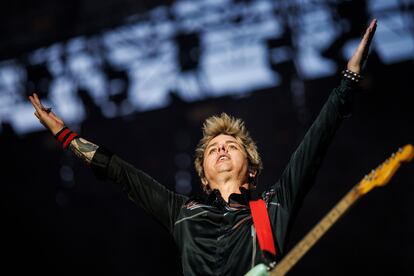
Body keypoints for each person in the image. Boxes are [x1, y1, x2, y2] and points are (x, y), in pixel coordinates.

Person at [29, 19, 377, 276]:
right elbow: (119, 172)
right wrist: (65, 135)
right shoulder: (182, 212)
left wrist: (348, 80)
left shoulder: (273, 206)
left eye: (230, 146)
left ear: (252, 169)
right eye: (213, 149)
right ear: (204, 178)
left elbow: (316, 141)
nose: (221, 150)